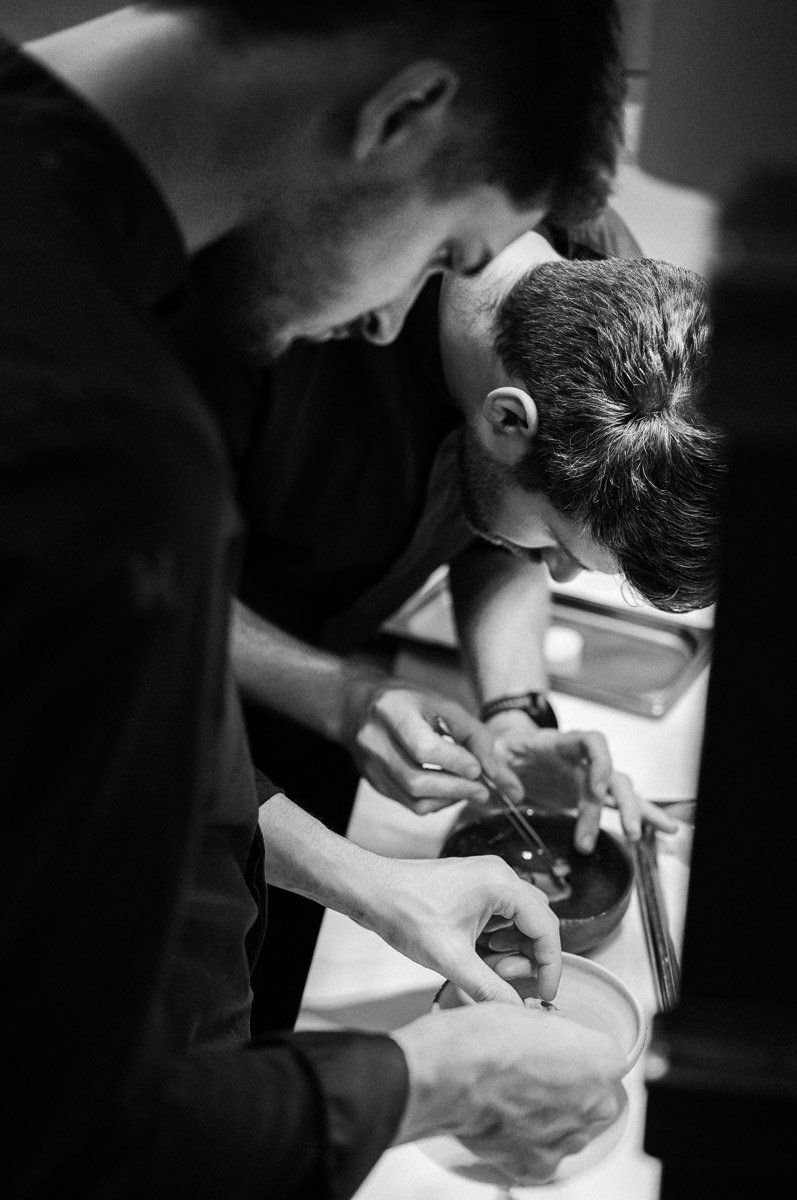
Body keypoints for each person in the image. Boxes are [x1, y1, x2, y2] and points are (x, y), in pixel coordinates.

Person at [0, 2, 629, 1197]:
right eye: (450, 251)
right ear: (404, 112)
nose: (397, 321)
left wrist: (377, 885)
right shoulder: (110, 446)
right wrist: (434, 1080)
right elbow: (73, 1142)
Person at [176, 209, 723, 1031]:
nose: (563, 573)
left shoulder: (608, 301)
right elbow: (151, 602)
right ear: (508, 418)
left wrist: (515, 709)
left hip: (338, 696)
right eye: (568, 547)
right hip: (182, 696)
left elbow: (500, 541)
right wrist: (339, 696)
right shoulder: (295, 311)